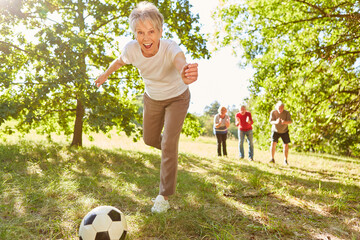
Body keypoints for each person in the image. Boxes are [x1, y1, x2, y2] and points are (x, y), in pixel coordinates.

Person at [95, 1, 198, 213]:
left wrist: (186, 74)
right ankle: (171, 152)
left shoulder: (171, 48)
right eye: (140, 32)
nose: (146, 37)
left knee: (169, 141)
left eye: (151, 31)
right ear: (135, 34)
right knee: (150, 139)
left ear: (160, 31)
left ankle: (164, 196)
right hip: (152, 98)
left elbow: (180, 63)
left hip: (178, 97)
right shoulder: (132, 50)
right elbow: (119, 61)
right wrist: (106, 74)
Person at [269, 101, 292, 165]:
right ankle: (272, 158)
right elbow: (271, 121)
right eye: (279, 108)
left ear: (283, 108)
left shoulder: (287, 113)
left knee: (286, 145)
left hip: (284, 131)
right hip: (275, 130)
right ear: (276, 107)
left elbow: (290, 121)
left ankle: (285, 160)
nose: (280, 110)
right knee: (273, 143)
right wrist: (276, 122)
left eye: (281, 108)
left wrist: (284, 122)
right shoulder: (273, 112)